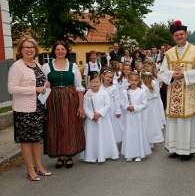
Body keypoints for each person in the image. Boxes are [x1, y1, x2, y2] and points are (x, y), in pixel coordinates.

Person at [158, 20, 195, 161]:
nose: (179, 37)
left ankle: (187, 150)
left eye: (181, 34)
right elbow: (162, 72)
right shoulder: (169, 53)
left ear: (186, 34)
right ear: (173, 37)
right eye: (176, 35)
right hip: (174, 92)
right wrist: (172, 75)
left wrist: (184, 74)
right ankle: (174, 148)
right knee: (174, 121)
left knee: (187, 122)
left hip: (189, 92)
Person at [8, 37, 51, 181]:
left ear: (35, 50)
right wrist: (34, 89)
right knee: (26, 140)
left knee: (37, 139)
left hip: (38, 108)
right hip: (24, 110)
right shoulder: (17, 66)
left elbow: (40, 81)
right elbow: (11, 88)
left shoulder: (36, 64)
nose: (29, 49)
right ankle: (30, 170)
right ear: (20, 49)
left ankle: (39, 166)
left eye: (32, 47)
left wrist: (45, 84)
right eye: (26, 47)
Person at [42, 40, 85, 169]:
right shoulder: (46, 67)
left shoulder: (73, 66)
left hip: (71, 99)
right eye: (57, 49)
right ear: (54, 51)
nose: (60, 51)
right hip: (53, 100)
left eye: (63, 49)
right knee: (56, 127)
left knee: (69, 125)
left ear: (66, 51)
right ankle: (60, 155)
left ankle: (69, 154)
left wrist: (81, 106)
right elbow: (43, 85)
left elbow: (79, 87)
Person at [81, 73, 119, 163]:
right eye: (93, 82)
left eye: (97, 82)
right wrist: (91, 115)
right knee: (92, 137)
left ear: (100, 82)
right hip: (91, 120)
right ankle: (92, 155)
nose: (95, 84)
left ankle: (105, 153)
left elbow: (108, 104)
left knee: (103, 136)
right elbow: (85, 106)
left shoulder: (104, 93)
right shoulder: (88, 94)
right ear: (90, 83)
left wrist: (100, 113)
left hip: (103, 119)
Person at [121, 71, 151, 162]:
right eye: (131, 80)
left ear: (138, 81)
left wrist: (135, 108)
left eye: (135, 80)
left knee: (137, 134)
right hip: (129, 117)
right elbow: (122, 103)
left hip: (137, 116)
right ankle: (129, 154)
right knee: (129, 134)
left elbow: (145, 104)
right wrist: (127, 107)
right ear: (128, 81)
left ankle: (138, 154)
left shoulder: (141, 91)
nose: (133, 82)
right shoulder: (125, 91)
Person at [141, 70, 165, 148]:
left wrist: (150, 96)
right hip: (144, 107)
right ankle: (145, 140)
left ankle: (151, 140)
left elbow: (156, 94)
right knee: (144, 123)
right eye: (145, 77)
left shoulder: (153, 83)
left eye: (149, 77)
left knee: (151, 123)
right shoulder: (141, 84)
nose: (147, 79)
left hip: (151, 106)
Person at [101, 69, 124, 144]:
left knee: (112, 126)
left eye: (111, 77)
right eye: (107, 76)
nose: (108, 79)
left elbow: (117, 99)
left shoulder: (114, 88)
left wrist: (118, 110)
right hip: (102, 109)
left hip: (112, 110)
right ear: (103, 76)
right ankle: (104, 141)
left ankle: (112, 142)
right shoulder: (100, 87)